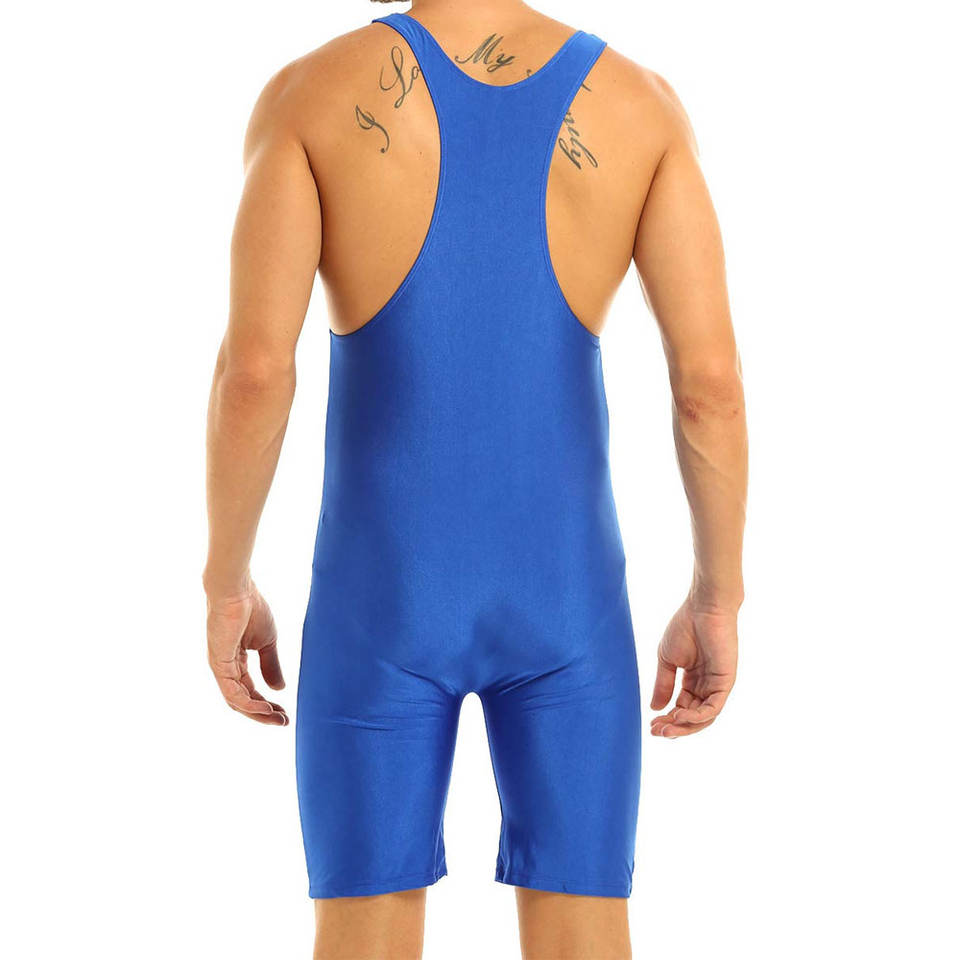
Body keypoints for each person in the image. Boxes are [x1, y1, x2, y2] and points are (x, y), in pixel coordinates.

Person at [204, 0, 747, 956]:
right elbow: (709, 387)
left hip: (382, 597)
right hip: (567, 598)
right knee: (586, 927)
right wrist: (718, 595)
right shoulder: (640, 106)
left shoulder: (309, 96)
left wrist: (226, 582)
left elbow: (254, 375)